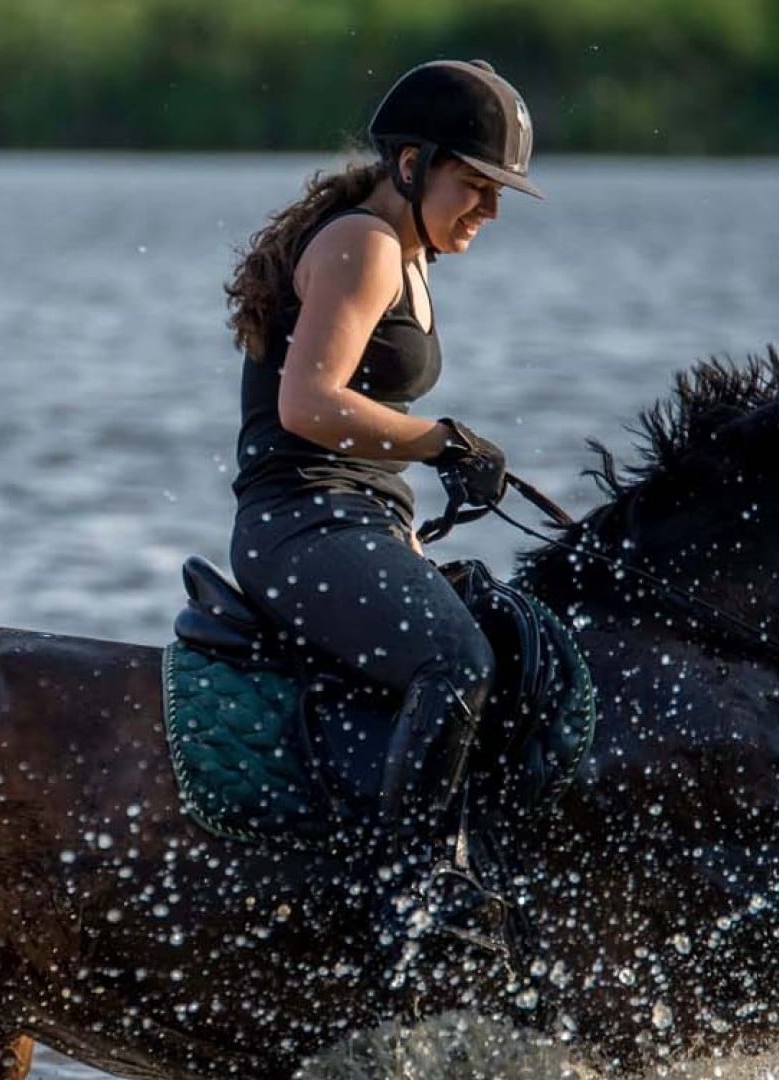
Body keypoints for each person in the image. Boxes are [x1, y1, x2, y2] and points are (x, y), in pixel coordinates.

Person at [224, 59, 538, 895]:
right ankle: (409, 893)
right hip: (302, 523)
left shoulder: (407, 249)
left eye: (499, 191)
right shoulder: (363, 245)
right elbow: (305, 405)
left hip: (357, 521)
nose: (490, 208)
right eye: (474, 183)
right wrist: (440, 442)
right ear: (411, 164)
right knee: (458, 663)